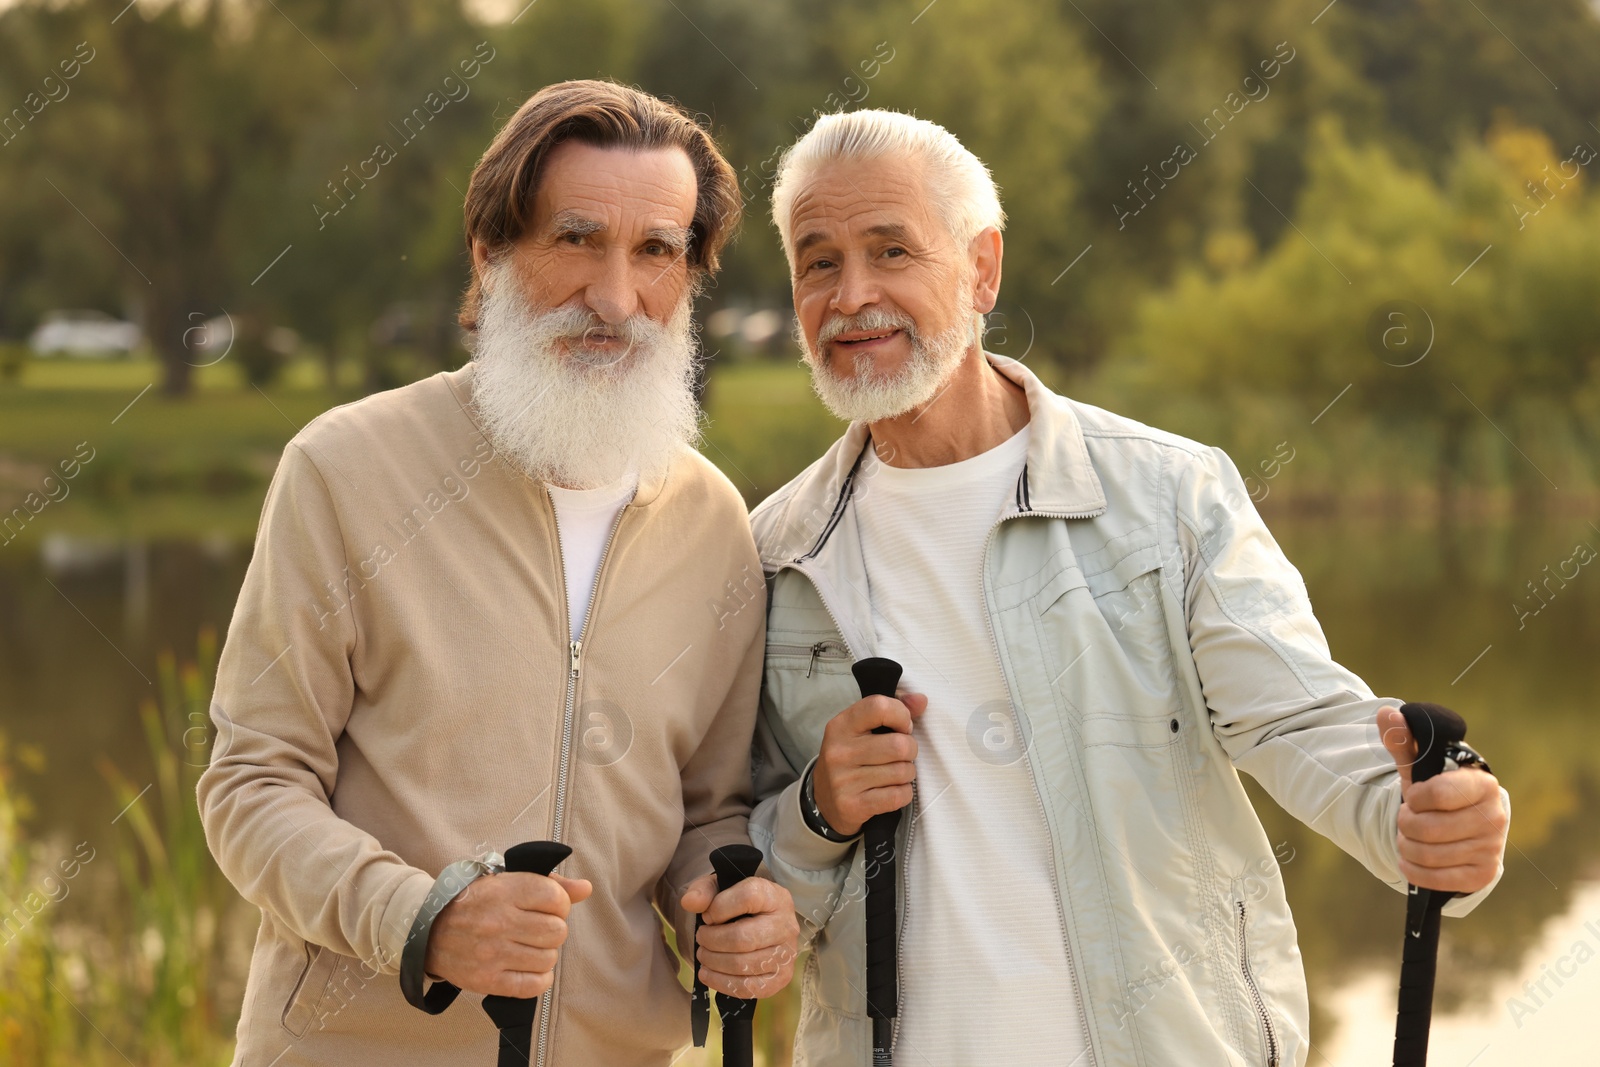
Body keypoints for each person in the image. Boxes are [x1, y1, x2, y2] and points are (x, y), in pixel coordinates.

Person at [746, 109, 1511, 1066]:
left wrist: (1426, 816)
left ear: (982, 267)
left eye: (891, 249)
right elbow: (750, 879)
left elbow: (1298, 721)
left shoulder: (1168, 497)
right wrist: (820, 805)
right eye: (819, 262)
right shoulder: (772, 555)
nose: (853, 294)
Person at [197, 80, 797, 1067]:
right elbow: (252, 781)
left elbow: (704, 810)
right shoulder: (345, 469)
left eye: (656, 250)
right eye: (576, 239)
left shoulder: (714, 521)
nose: (614, 296)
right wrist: (421, 916)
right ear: (490, 254)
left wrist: (731, 909)